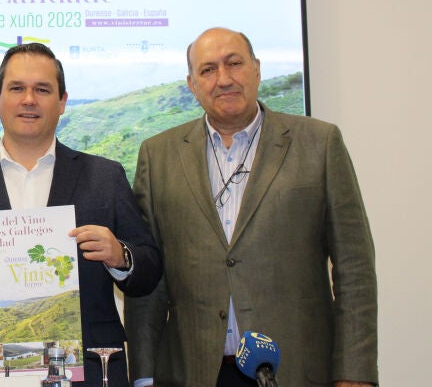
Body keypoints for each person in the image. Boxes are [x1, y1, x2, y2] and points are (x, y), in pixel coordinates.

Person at [124, 27, 378, 386]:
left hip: (296, 371)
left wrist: (354, 373)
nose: (223, 79)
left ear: (256, 69)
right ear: (192, 84)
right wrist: (143, 376)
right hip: (193, 373)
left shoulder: (319, 144)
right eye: (208, 70)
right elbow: (149, 280)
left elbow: (355, 268)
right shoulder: (158, 155)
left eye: (234, 63)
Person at [0, 43, 162, 387]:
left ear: (62, 101)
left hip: (89, 372)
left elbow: (150, 269)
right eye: (17, 88)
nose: (29, 100)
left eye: (42, 89)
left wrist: (120, 255)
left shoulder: (105, 177)